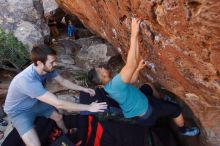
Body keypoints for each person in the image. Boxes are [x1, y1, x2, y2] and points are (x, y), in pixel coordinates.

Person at [88, 18, 199, 136]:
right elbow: (131, 63)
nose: (101, 67)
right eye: (100, 69)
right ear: (103, 76)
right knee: (175, 110)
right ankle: (183, 130)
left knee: (148, 86)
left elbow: (131, 79)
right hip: (147, 112)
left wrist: (137, 69)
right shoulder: (115, 84)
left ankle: (161, 102)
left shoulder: (109, 86)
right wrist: (134, 34)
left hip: (138, 104)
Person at [4, 45, 107, 146]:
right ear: (39, 63)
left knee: (58, 116)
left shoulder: (46, 69)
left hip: (34, 102)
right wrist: (89, 107)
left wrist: (83, 89)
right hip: (18, 111)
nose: (55, 64)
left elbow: (63, 81)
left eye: (55, 60)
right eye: (52, 62)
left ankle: (65, 132)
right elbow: (59, 104)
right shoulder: (27, 81)